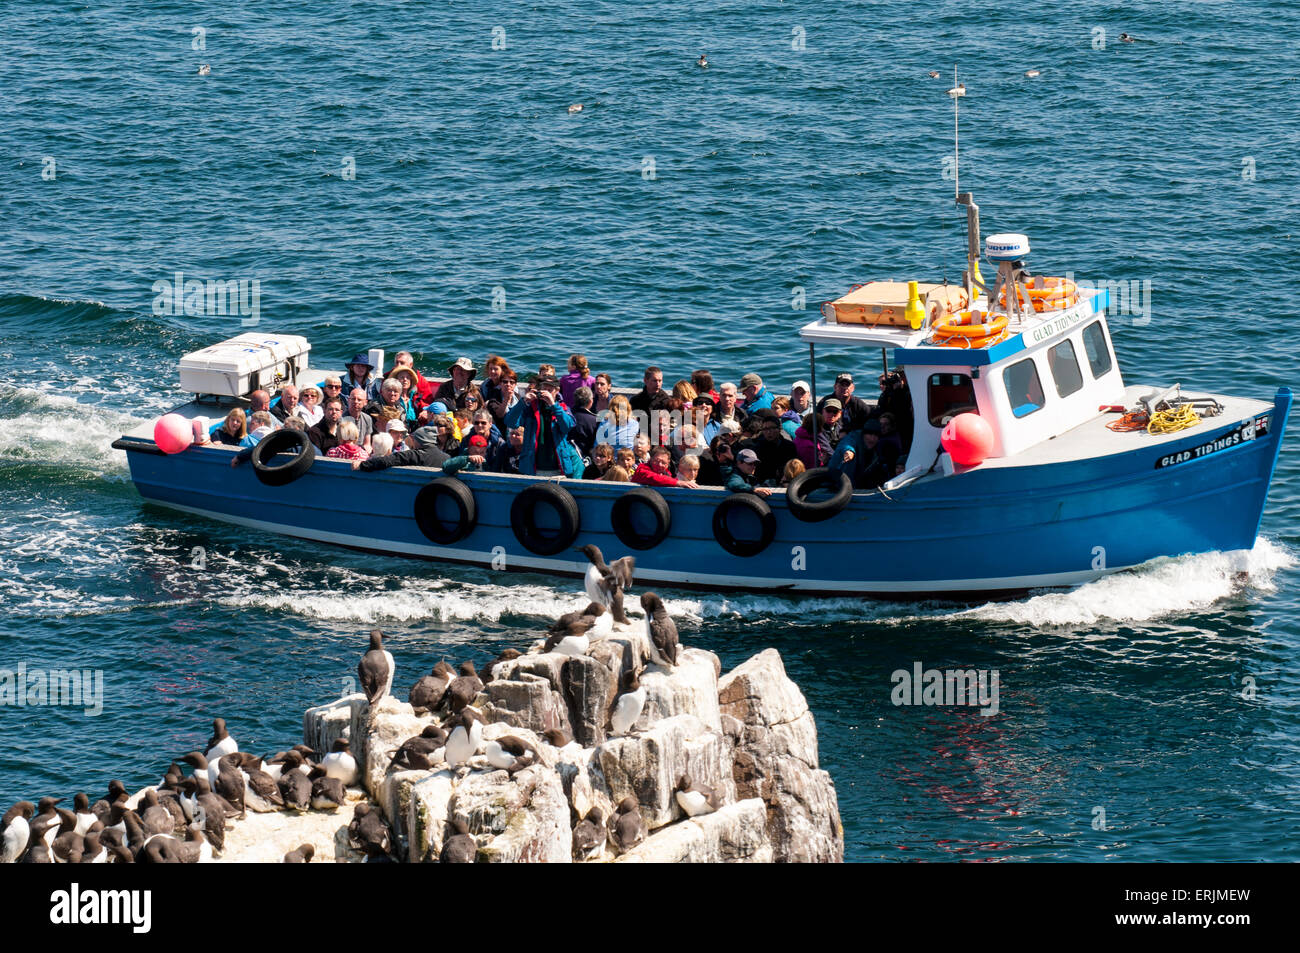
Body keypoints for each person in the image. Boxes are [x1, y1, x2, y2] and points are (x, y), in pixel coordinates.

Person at [505, 373, 580, 477]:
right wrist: (523, 401)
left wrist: (553, 405)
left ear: (557, 391)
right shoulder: (530, 409)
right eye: (544, 389)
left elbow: (567, 427)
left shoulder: (562, 408)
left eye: (550, 390)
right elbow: (510, 422)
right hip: (532, 468)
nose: (546, 393)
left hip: (557, 468)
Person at [830, 419, 898, 489]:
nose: (872, 439)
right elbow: (847, 444)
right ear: (863, 434)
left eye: (876, 435)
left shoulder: (877, 451)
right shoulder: (853, 437)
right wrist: (849, 451)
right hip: (836, 486)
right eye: (870, 434)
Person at [741, 412, 798, 485]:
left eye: (772, 428)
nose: (768, 432)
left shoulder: (789, 446)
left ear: (779, 429)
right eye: (765, 429)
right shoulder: (757, 447)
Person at [877, 369, 913, 454]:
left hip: (903, 426)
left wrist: (897, 390)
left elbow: (903, 409)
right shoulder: (884, 395)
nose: (883, 385)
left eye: (885, 383)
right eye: (882, 383)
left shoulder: (904, 392)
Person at [633, 446, 698, 488]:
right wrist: (678, 482)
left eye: (663, 463)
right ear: (650, 459)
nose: (660, 464)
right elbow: (654, 478)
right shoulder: (642, 469)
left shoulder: (667, 474)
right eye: (656, 461)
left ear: (667, 464)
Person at [568, 386, 600, 457]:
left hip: (567, 454)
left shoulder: (567, 416)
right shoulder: (595, 421)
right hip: (585, 457)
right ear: (590, 401)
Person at [342, 388, 374, 452]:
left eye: (359, 400)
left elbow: (367, 444)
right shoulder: (341, 419)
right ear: (348, 400)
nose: (356, 402)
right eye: (353, 399)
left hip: (361, 453)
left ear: (365, 402)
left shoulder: (367, 419)